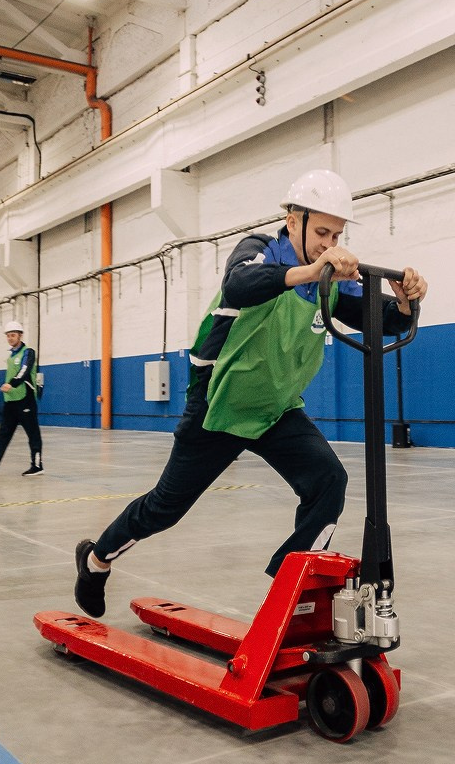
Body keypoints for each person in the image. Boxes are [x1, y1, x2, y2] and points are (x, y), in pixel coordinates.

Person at [73, 169, 427, 618]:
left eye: (337, 234)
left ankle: (287, 592)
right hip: (218, 407)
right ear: (292, 218)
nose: (329, 243)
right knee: (165, 508)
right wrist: (311, 271)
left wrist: (404, 300)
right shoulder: (259, 251)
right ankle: (95, 559)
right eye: (321, 231)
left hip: (277, 411)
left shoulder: (332, 281)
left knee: (328, 482)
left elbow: (383, 323)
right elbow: (240, 284)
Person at [0, 320, 43, 477]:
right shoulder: (11, 356)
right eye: (8, 335)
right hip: (10, 402)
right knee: (2, 435)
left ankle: (37, 466)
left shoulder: (28, 352)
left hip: (25, 400)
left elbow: (24, 371)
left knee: (33, 434)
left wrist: (11, 384)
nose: (10, 338)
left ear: (20, 335)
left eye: (13, 335)